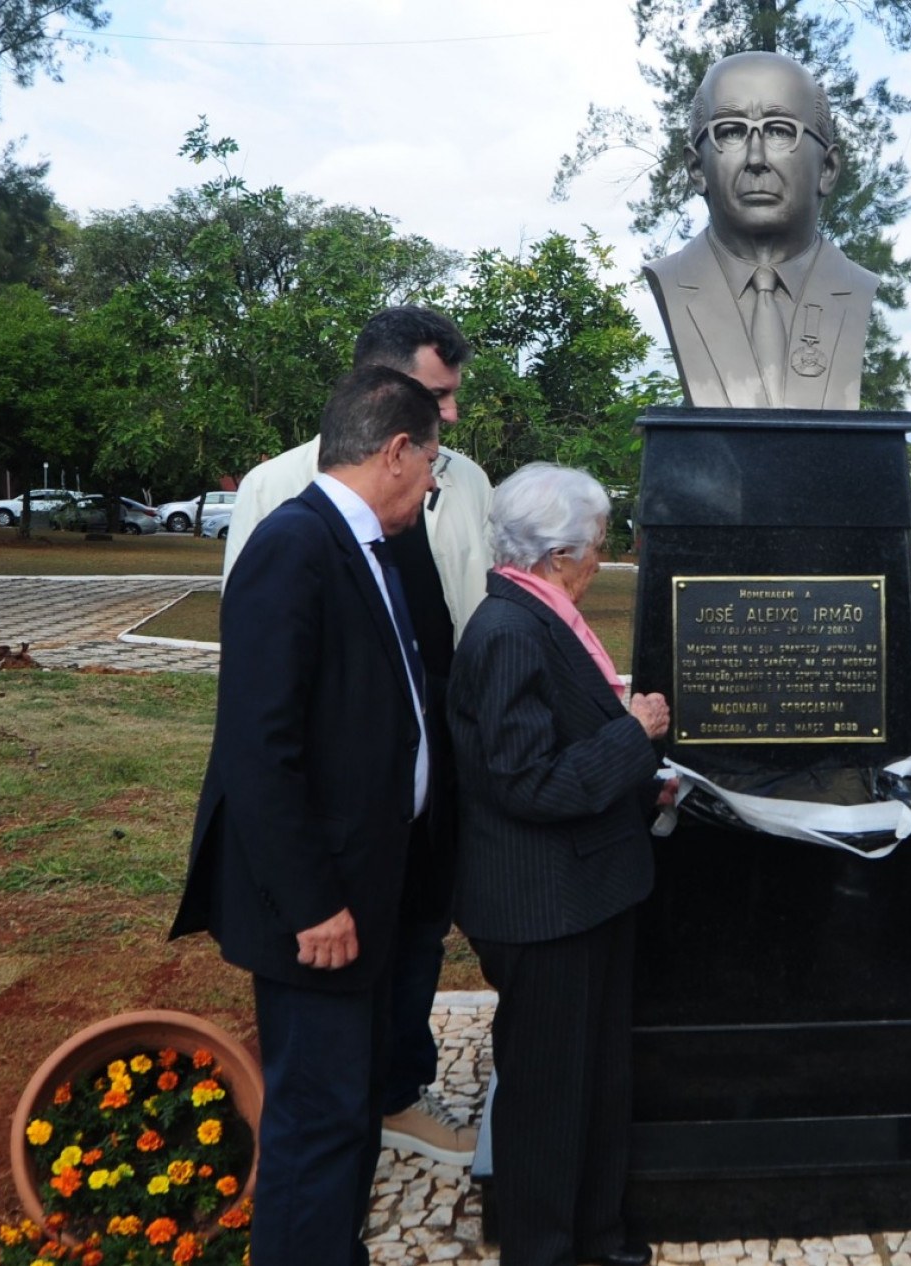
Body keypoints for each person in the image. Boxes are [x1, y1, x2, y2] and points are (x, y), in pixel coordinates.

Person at [170, 366, 448, 1266]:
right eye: (433, 454)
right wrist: (310, 903)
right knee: (318, 1121)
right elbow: (258, 749)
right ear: (397, 450)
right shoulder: (296, 544)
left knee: (349, 1109)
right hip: (316, 905)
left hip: (368, 884)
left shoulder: (366, 544)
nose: (437, 478)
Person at [221, 305, 490, 1165]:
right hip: (339, 768)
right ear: (384, 399)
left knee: (417, 926)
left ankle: (394, 1088)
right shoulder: (280, 492)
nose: (448, 417)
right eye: (436, 398)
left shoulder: (469, 481)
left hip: (432, 747)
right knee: (335, 964)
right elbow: (262, 678)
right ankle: (338, 1113)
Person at [448, 463, 670, 1266]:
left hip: (589, 894)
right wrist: (633, 733)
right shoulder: (509, 631)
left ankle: (596, 1239)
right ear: (556, 554)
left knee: (599, 1081)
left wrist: (641, 773)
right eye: (597, 546)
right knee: (547, 1097)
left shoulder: (540, 617)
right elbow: (527, 782)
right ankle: (543, 1251)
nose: (601, 561)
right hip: (544, 907)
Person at [642, 50, 878, 410]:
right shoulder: (674, 281)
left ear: (828, 168)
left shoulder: (855, 288)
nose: (756, 159)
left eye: (780, 131)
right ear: (696, 168)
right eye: (732, 132)